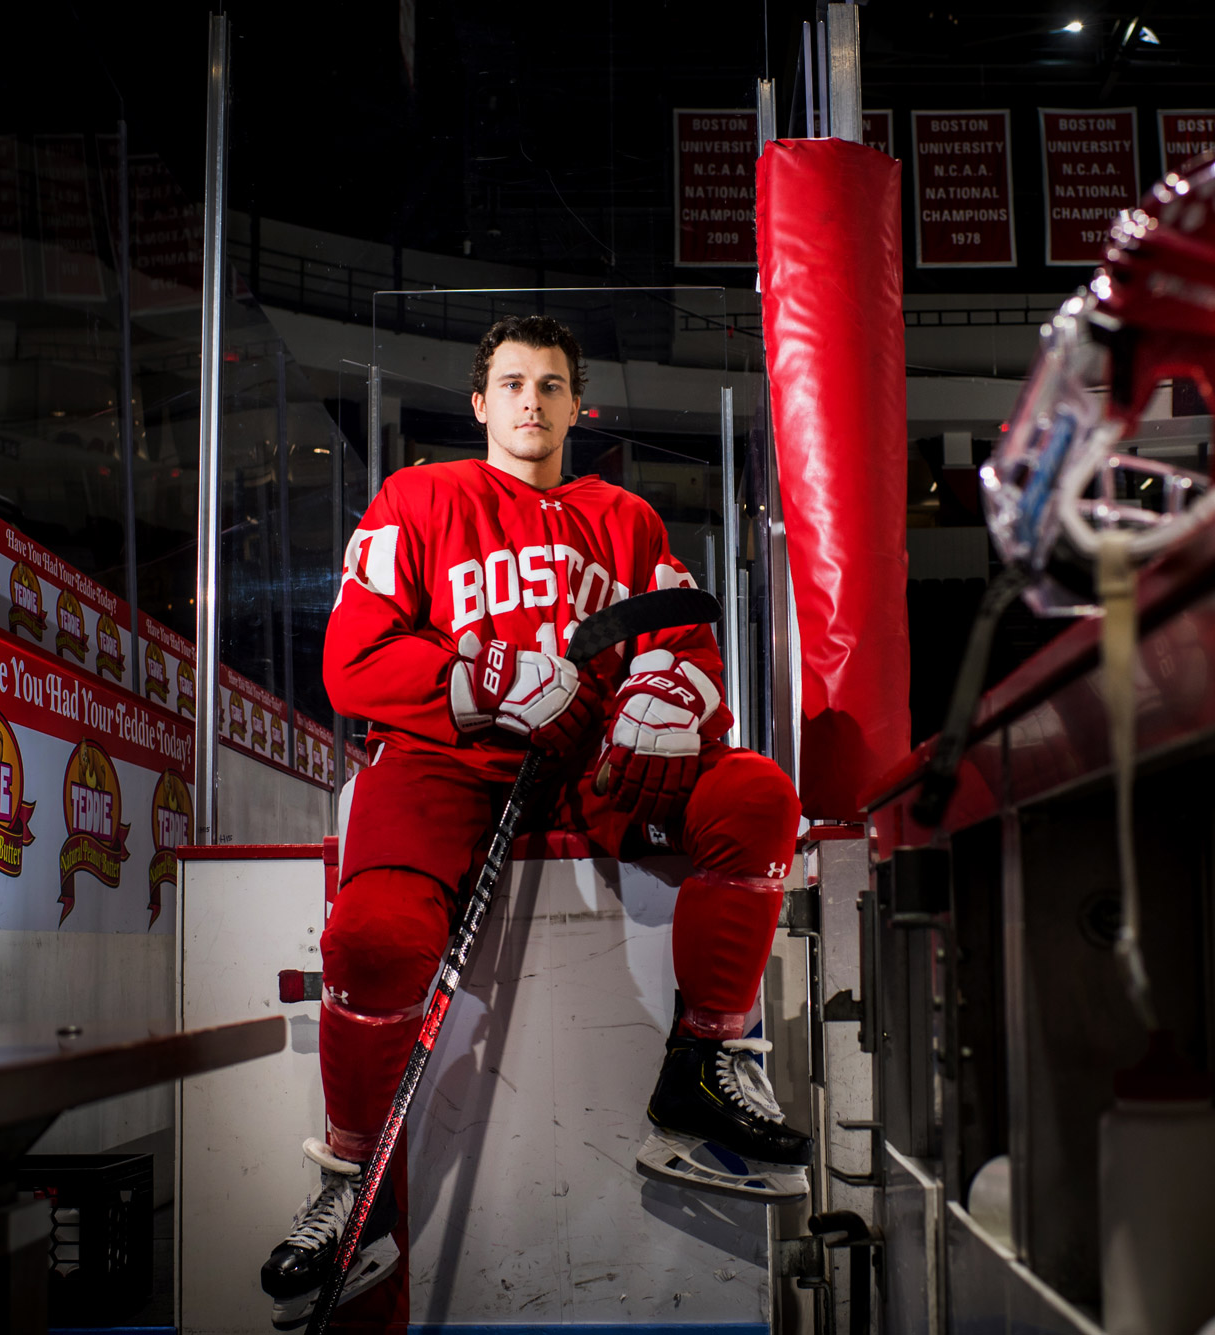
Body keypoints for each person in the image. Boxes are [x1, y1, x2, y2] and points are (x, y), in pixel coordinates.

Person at [257, 315, 810, 1327]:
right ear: (477, 403)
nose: (530, 401)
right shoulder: (417, 498)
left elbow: (682, 640)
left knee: (756, 797)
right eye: (511, 383)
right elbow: (353, 661)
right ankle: (354, 1180)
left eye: (551, 385)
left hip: (595, 759)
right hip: (445, 760)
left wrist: (672, 692)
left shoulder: (627, 518)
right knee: (374, 939)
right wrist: (488, 677)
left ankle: (702, 1068)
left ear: (574, 405)